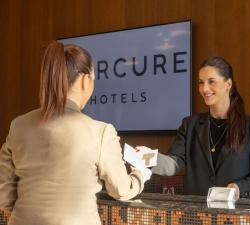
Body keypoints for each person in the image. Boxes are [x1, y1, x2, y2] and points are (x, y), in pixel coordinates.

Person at [0, 41, 151, 225]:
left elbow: (4, 198)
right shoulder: (101, 132)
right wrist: (141, 174)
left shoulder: (18, 125)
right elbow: (121, 190)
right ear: (84, 80)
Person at [148, 56, 250, 199]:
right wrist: (146, 158)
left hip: (238, 214)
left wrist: (240, 187)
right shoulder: (189, 125)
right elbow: (173, 164)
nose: (204, 88)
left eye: (211, 82)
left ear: (228, 84)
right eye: (201, 82)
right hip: (198, 214)